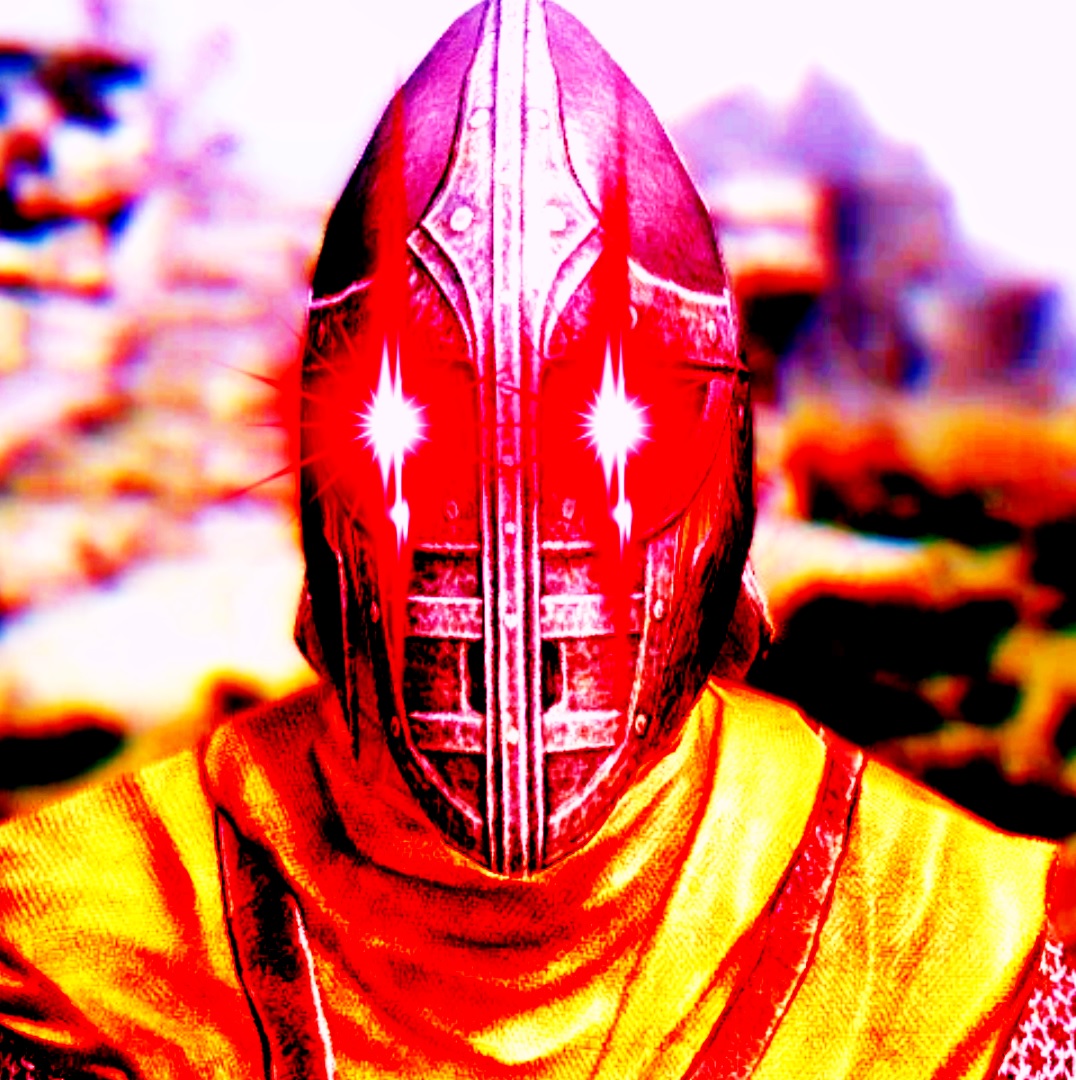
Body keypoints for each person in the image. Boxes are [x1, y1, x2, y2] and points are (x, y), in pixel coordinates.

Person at [0, 1, 1071, 1077]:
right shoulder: (82, 943)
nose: (511, 530)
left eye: (615, 425)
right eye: (414, 425)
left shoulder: (960, 951)